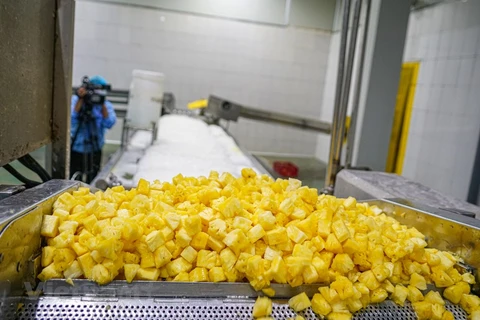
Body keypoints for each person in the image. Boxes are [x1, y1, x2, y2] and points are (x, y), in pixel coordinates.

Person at [70, 75, 116, 183]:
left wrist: (102, 103)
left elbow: (109, 123)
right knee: (74, 178)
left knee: (93, 179)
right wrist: (81, 99)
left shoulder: (105, 105)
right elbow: (71, 118)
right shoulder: (76, 100)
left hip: (95, 148)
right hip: (77, 148)